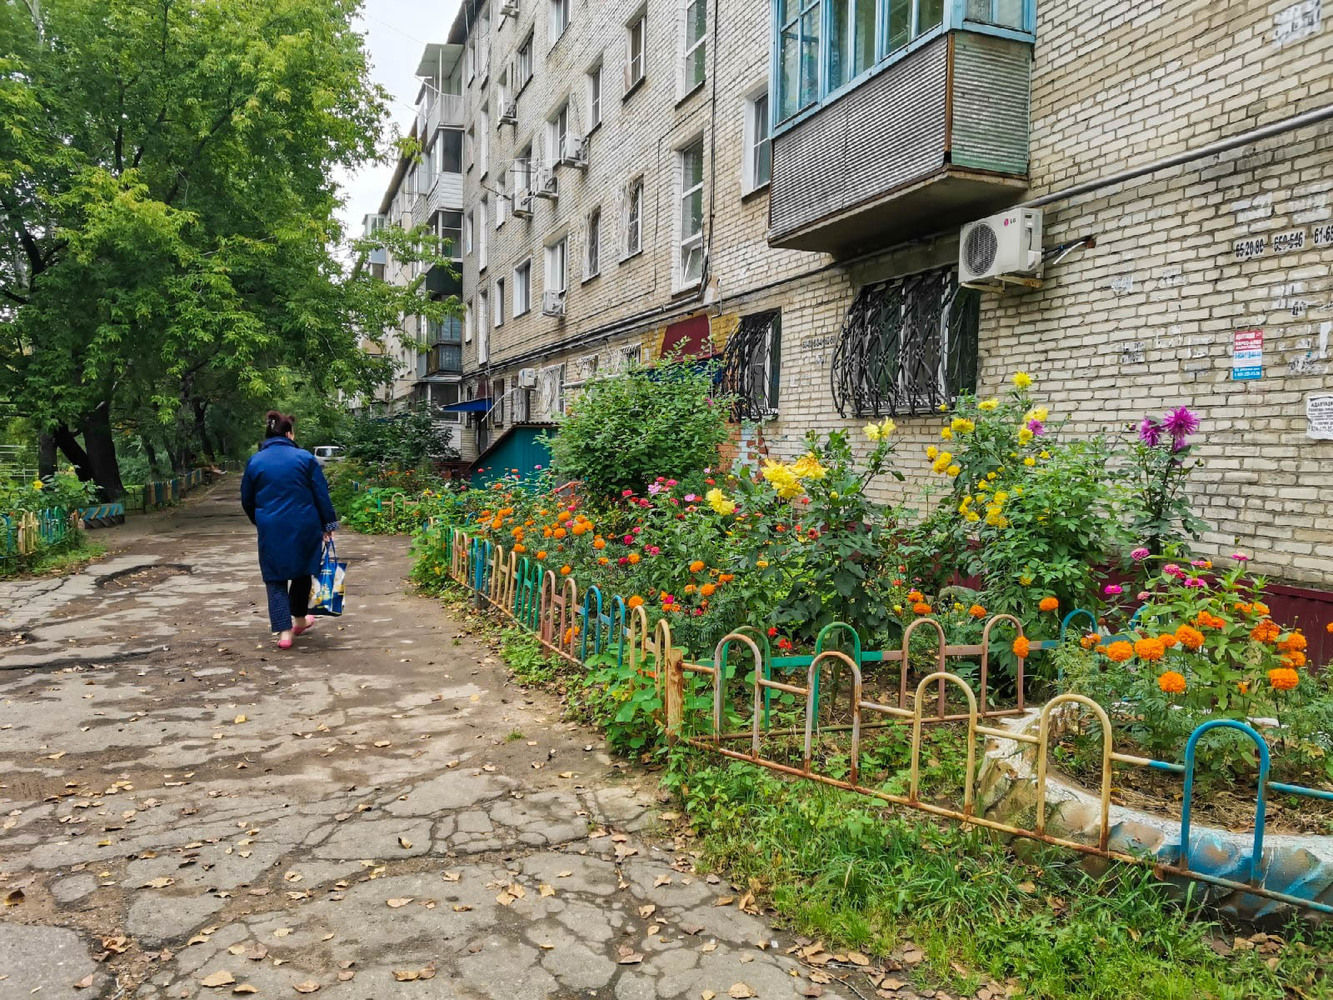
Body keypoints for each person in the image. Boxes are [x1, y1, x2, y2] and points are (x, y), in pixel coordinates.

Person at [240, 411, 339, 649]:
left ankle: (285, 634)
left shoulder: (255, 461)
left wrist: (261, 521)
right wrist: (329, 524)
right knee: (302, 572)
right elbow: (321, 495)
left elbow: (247, 500)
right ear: (288, 433)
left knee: (275, 579)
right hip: (305, 526)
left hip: (271, 527)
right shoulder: (304, 458)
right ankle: (300, 619)